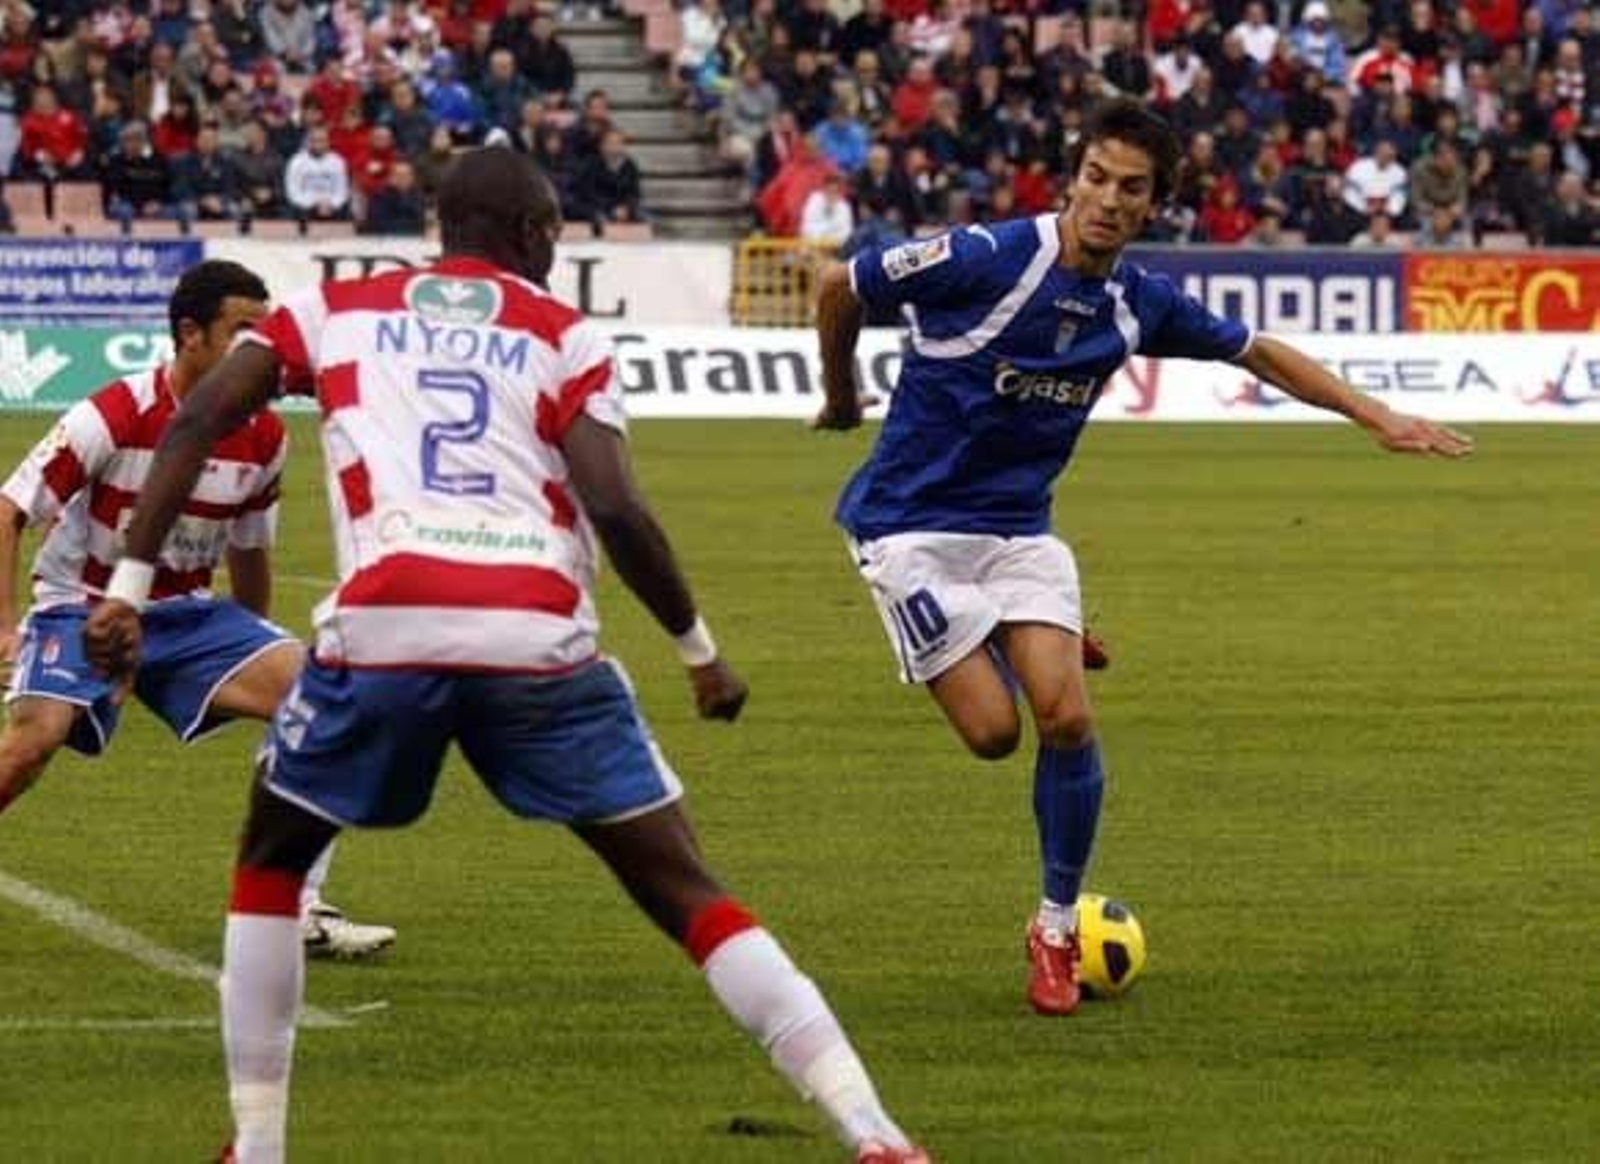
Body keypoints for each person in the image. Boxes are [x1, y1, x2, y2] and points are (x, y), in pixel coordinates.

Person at [83, 148, 929, 1164]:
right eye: (555, 231)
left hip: (386, 629)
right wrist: (697, 651)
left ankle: (257, 1148)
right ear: (532, 234)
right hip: (536, 636)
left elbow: (198, 417)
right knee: (685, 891)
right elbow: (616, 505)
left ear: (442, 227)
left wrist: (127, 586)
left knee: (271, 864)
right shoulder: (563, 333)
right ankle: (874, 1131)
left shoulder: (333, 309)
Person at [812, 99, 1472, 1019]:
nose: (1108, 200)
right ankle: (1011, 636)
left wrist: (1378, 416)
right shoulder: (987, 256)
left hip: (1019, 531)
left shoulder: (1136, 302)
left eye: (1131, 188)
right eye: (1096, 178)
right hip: (907, 528)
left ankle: (1053, 928)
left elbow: (1257, 353)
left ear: (1155, 204)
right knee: (993, 734)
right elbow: (839, 286)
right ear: (1072, 178)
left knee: (1065, 718)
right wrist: (843, 395)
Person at [0, 260, 395, 961]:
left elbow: (249, 551)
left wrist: (255, 641)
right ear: (190, 334)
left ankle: (295, 908)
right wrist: (4, 628)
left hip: (186, 617)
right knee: (33, 744)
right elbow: (8, 512)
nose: (260, 349)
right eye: (243, 331)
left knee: (326, 702)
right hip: (80, 608)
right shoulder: (113, 412)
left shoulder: (264, 434)